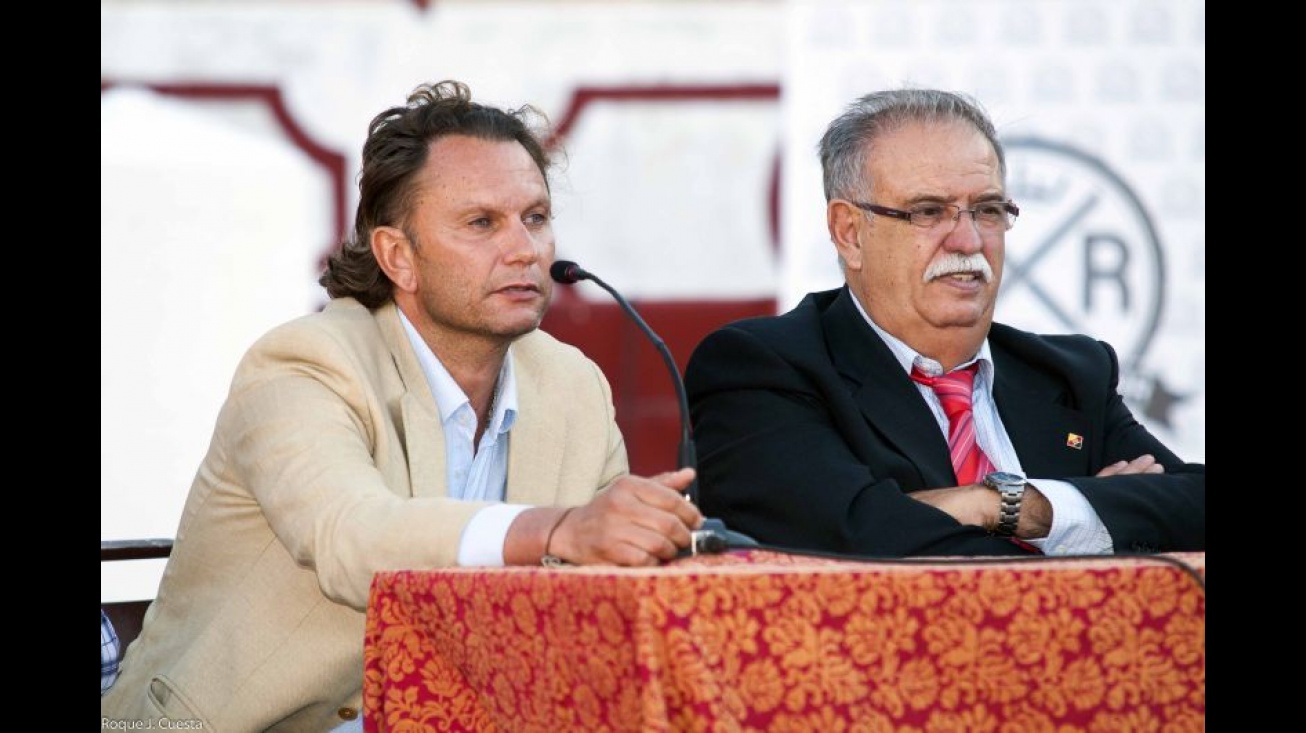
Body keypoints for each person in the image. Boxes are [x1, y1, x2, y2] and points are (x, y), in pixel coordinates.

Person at [101, 80, 703, 732]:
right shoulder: (304, 363)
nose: (524, 248)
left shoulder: (572, 385)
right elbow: (351, 537)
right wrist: (554, 528)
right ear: (397, 256)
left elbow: (603, 593)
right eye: (481, 223)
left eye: (535, 217)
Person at [684, 88, 1204, 558]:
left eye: (988, 209)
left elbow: (1195, 505)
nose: (969, 242)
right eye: (928, 212)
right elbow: (855, 538)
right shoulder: (764, 367)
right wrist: (1072, 516)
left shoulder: (1071, 374)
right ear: (849, 233)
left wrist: (1027, 506)